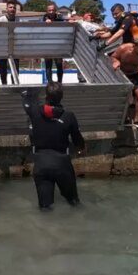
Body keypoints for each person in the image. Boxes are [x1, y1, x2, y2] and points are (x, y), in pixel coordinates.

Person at [21, 83, 85, 211]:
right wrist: (81, 148)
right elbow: (78, 140)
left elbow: (26, 101)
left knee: (45, 208)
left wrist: (28, 94)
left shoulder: (35, 111)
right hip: (62, 165)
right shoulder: (68, 116)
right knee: (74, 203)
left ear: (46, 96)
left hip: (41, 164)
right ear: (61, 97)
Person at [110, 42, 138, 125]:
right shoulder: (123, 48)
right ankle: (124, 118)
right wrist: (116, 61)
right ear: (135, 46)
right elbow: (112, 57)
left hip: (135, 74)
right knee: (124, 95)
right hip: (123, 74)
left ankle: (137, 119)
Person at [0, 2, 21, 85]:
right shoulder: (1, 20)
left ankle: (14, 86)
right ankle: (4, 85)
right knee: (3, 69)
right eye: (10, 7)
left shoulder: (19, 20)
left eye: (14, 8)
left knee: (15, 69)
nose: (12, 9)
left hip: (15, 48)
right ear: (6, 9)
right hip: (3, 47)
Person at [42, 3, 65, 83]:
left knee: (59, 65)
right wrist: (45, 21)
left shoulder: (59, 17)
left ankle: (59, 83)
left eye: (53, 10)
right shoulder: (44, 17)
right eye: (49, 10)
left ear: (55, 11)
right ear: (47, 11)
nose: (51, 12)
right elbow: (40, 23)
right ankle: (50, 83)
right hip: (47, 45)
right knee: (48, 66)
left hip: (58, 45)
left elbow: (64, 22)